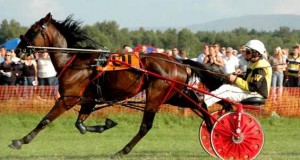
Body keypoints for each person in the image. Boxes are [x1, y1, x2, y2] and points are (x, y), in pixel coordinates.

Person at [203, 39, 272, 108]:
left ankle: (203, 102)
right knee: (226, 86)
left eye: (248, 52)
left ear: (256, 53)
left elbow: (252, 87)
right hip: (251, 92)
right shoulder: (253, 62)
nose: (245, 54)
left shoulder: (261, 66)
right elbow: (248, 80)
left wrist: (235, 79)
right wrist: (241, 75)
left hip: (256, 94)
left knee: (226, 89)